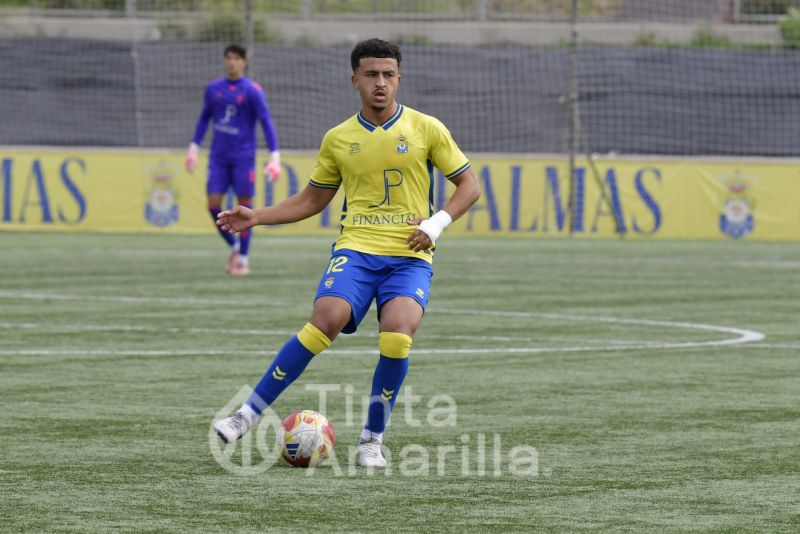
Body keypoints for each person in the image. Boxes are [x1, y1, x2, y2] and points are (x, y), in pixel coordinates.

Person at [212, 38, 481, 467]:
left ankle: (371, 440)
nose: (381, 83)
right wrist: (257, 216)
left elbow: (470, 186)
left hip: (410, 256)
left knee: (397, 336)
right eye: (372, 75)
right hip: (356, 250)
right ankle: (246, 415)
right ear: (354, 79)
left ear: (399, 79)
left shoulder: (427, 128)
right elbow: (313, 199)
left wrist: (436, 224)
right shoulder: (339, 138)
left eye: (389, 75)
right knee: (326, 318)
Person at [185, 44, 281, 276]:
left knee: (245, 207)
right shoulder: (213, 89)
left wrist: (274, 157)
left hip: (243, 158)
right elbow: (203, 119)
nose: (232, 62)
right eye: (228, 58)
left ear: (244, 63)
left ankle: (244, 258)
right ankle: (235, 246)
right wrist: (193, 148)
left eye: (236, 58)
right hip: (218, 158)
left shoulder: (252, 90)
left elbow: (266, 122)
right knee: (213, 205)